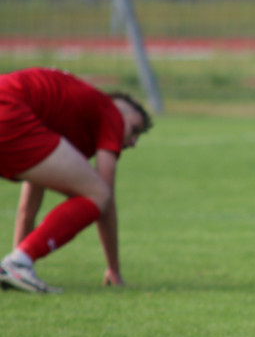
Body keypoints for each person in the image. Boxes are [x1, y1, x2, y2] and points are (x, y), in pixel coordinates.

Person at [0, 67, 152, 293]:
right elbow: (105, 198)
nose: (133, 142)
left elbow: (27, 209)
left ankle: (16, 266)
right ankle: (18, 264)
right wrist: (114, 269)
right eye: (134, 129)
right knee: (97, 194)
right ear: (121, 111)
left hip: (9, 104)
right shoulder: (110, 111)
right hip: (10, 109)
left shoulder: (64, 118)